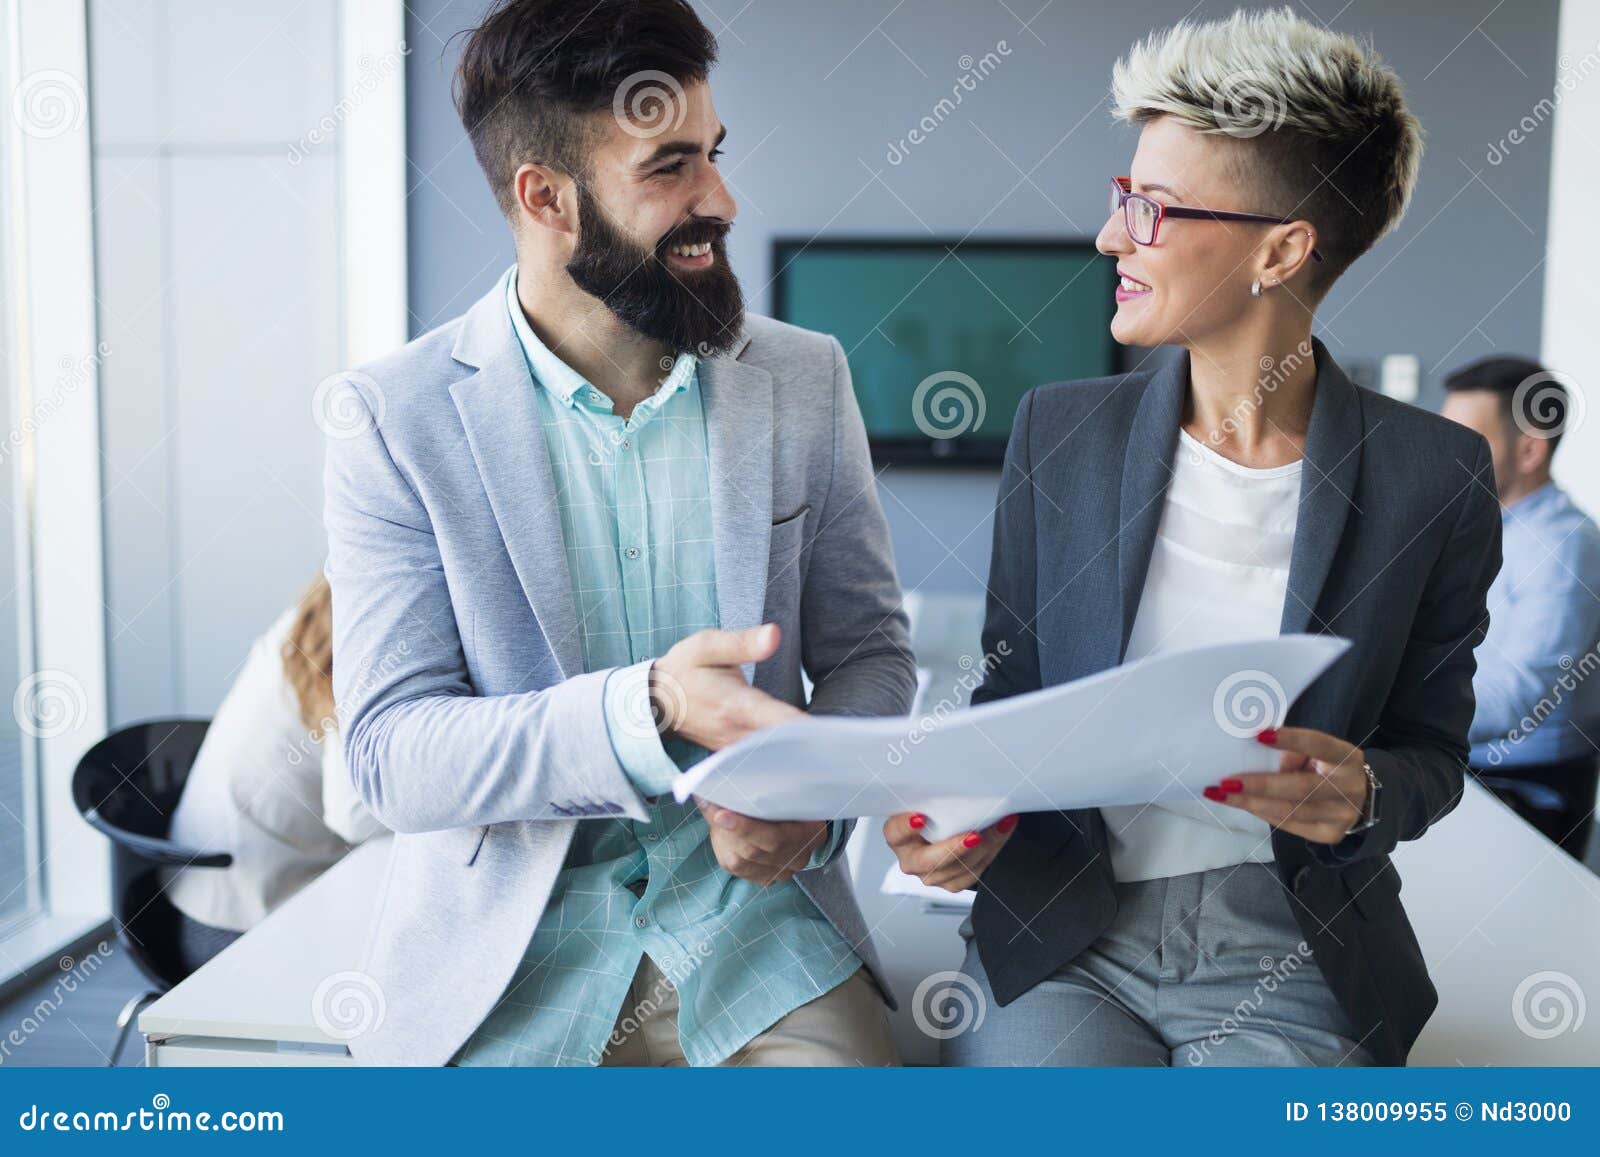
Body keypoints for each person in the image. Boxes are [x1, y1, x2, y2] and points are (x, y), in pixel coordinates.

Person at [887, 6, 1501, 1067]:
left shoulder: (1431, 478)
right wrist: (965, 813)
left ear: (1282, 248)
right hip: (1068, 930)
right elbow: (1013, 694)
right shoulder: (1061, 432)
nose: (1109, 235)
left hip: (1288, 944)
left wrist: (1365, 790)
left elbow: (1434, 753)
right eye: (1123, 197)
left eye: (1153, 208)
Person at [322, 0, 914, 1067]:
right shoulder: (391, 417)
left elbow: (872, 651)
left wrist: (812, 800)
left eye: (715, 156)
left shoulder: (802, 377)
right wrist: (651, 704)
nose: (721, 200)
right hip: (506, 960)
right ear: (544, 196)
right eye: (669, 167)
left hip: (761, 936)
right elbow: (390, 754)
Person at [163, 574, 383, 971]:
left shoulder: (315, 616)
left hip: (212, 900)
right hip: (235, 931)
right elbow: (355, 815)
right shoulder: (358, 634)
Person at [1442, 356, 1600, 858]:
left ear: (1529, 450)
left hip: (1525, 787)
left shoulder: (1566, 544)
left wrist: (1390, 715)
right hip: (1467, 765)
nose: (1444, 456)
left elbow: (1519, 697)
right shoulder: (1487, 525)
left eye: (1465, 440)